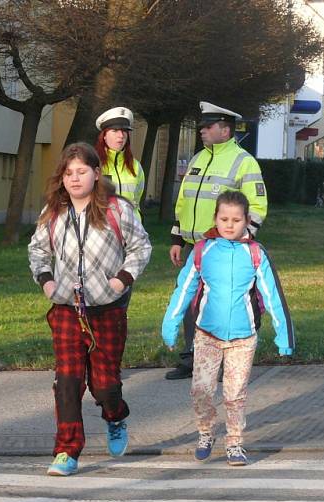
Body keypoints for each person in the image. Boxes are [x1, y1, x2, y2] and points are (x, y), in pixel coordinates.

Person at [28, 142, 151, 476]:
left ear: (97, 174)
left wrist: (121, 281)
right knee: (67, 381)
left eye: (82, 172)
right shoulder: (53, 212)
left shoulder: (117, 209)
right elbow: (37, 251)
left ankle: (115, 416)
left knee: (104, 383)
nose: (75, 179)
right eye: (69, 173)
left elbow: (141, 247)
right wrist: (47, 282)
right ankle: (67, 450)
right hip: (67, 308)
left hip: (106, 310)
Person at [162, 191, 293, 466]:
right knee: (201, 390)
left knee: (235, 394)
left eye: (236, 219)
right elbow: (184, 289)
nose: (230, 225)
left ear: (247, 221)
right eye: (224, 219)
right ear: (215, 219)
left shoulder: (256, 253)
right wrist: (170, 324)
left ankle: (234, 442)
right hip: (207, 335)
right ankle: (205, 433)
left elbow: (272, 296)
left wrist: (284, 337)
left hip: (243, 339)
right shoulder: (202, 251)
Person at [166, 102, 269, 380]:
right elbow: (184, 201)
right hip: (195, 246)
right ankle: (192, 357)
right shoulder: (199, 158)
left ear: (225, 130)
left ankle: (226, 360)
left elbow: (257, 206)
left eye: (207, 127)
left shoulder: (243, 161)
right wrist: (177, 237)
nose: (202, 131)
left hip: (225, 248)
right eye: (202, 126)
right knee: (191, 300)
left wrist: (241, 239)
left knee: (221, 302)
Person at [94, 107, 146, 221]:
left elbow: (136, 200)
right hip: (104, 231)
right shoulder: (93, 164)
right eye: (115, 130)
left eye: (124, 131)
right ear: (104, 135)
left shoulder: (136, 166)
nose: (121, 136)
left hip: (132, 232)